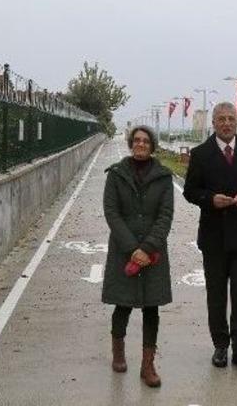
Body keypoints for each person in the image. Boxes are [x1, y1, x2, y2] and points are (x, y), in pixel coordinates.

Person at [183, 102, 237, 371]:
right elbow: (190, 190)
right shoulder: (201, 154)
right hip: (213, 236)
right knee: (216, 294)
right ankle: (220, 345)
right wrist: (210, 199)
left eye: (231, 118)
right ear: (214, 123)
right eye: (221, 119)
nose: (227, 123)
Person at [102, 125, 174, 388]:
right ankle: (118, 352)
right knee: (122, 303)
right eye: (137, 140)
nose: (140, 144)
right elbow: (112, 212)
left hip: (153, 252)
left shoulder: (164, 178)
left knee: (151, 307)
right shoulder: (116, 174)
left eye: (145, 141)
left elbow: (165, 216)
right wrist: (133, 248)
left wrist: (148, 247)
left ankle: (147, 365)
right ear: (131, 143)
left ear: (152, 146)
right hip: (124, 250)